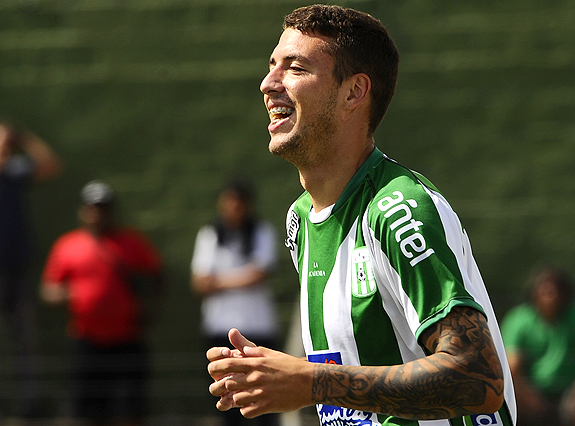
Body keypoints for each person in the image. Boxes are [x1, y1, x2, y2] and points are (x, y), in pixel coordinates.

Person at [206, 5, 517, 426]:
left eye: (295, 68)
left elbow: (478, 378)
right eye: (271, 65)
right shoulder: (300, 220)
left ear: (353, 93)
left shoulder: (399, 209)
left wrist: (312, 382)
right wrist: (287, 379)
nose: (268, 83)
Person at [40, 180, 164, 426]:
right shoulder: (67, 245)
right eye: (93, 208)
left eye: (103, 208)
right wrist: (68, 294)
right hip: (87, 341)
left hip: (127, 340)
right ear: (83, 211)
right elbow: (48, 290)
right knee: (87, 412)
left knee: (130, 410)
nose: (98, 214)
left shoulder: (131, 242)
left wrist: (148, 307)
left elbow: (156, 275)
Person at [0, 120, 62, 423]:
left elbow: (50, 164)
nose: (2, 149)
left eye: (7, 144)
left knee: (27, 341)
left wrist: (23, 138)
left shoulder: (16, 173)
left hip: (18, 269)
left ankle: (30, 405)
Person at [191, 178, 279, 426]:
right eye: (228, 201)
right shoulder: (209, 234)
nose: (233, 207)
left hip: (258, 328)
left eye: (238, 202)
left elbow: (259, 274)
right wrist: (243, 278)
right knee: (227, 400)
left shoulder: (262, 232)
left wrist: (218, 282)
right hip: (218, 328)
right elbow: (200, 282)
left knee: (264, 399)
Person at [501, 265, 575, 426]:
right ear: (533, 293)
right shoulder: (519, 319)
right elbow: (511, 367)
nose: (550, 295)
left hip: (573, 393)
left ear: (565, 293)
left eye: (555, 290)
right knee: (504, 397)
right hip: (530, 393)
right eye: (544, 290)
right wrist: (526, 393)